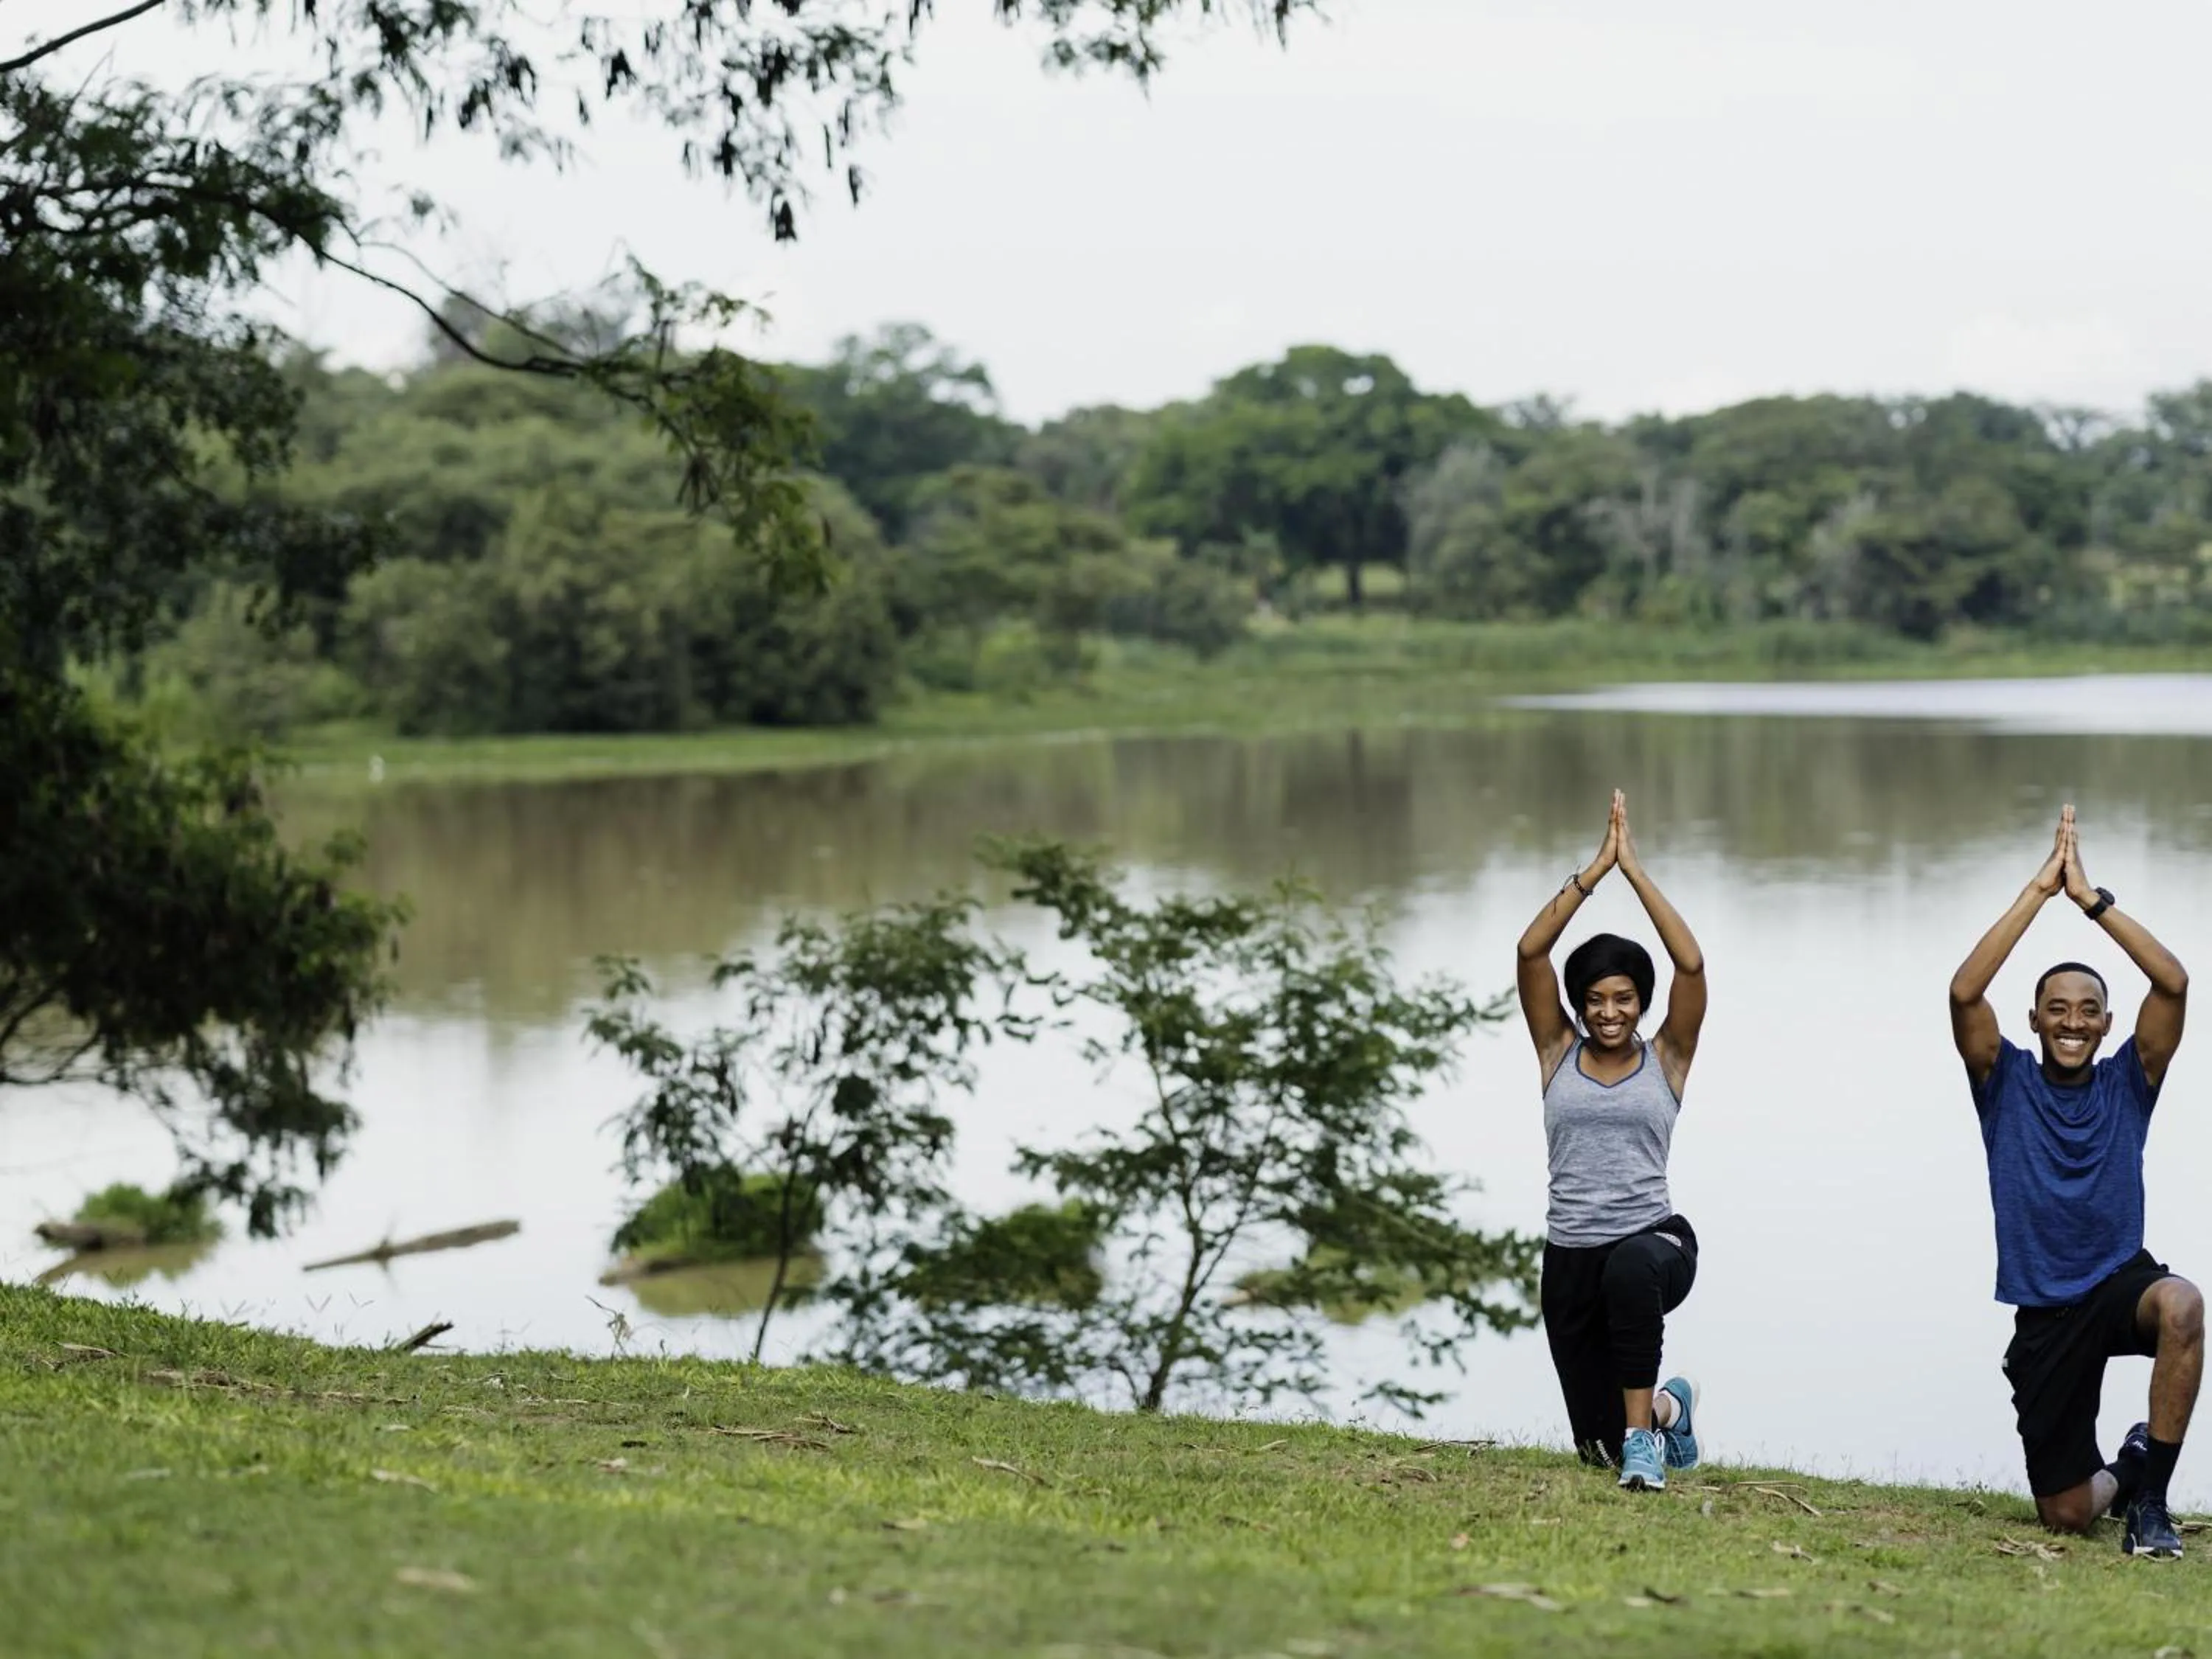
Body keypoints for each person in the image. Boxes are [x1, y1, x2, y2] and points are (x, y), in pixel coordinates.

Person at [1947, 804, 2199, 1557]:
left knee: (2183, 1306)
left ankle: (2153, 1508)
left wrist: (2091, 901)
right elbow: (1964, 994)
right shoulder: (2003, 1079)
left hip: (2119, 1281)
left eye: (2089, 1011)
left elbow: (2175, 982)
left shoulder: (2130, 1081)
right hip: (2046, 1315)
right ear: (2033, 1019)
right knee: (2065, 1513)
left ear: (2106, 1022)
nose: (2073, 1021)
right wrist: (2038, 890)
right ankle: (2129, 1471)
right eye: (2057, 1009)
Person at [1515, 789, 1708, 1492]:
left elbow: (1691, 968)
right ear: (1578, 1003)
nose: (1609, 1012)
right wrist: (1595, 871)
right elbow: (1531, 949)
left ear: (1641, 1003)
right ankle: (1663, 1411)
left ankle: (1641, 1444)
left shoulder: (1669, 1058)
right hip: (1570, 1259)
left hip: (1655, 1243)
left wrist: (1637, 872)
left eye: (1623, 998)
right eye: (1595, 999)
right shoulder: (1555, 1051)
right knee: (1591, 1454)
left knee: (1631, 1269)